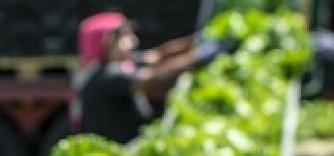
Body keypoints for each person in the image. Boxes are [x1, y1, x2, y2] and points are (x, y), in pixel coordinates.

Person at [72, 12, 229, 143]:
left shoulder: (124, 62)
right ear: (107, 42)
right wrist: (200, 56)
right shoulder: (106, 75)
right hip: (119, 150)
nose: (134, 42)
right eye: (125, 37)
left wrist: (195, 41)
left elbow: (157, 55)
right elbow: (151, 79)